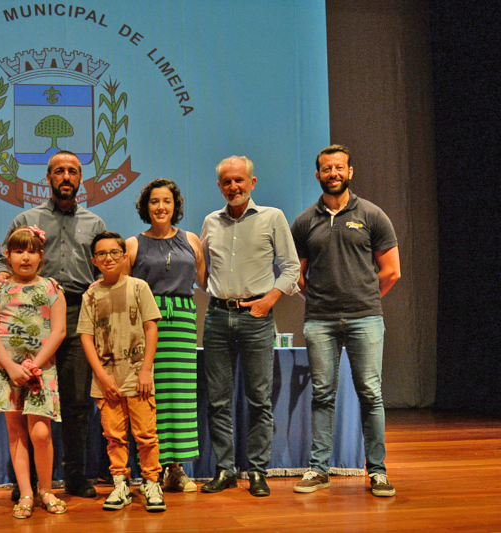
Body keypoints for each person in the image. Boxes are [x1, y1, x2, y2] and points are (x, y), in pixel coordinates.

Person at [0, 150, 106, 498]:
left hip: (76, 315)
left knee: (74, 401)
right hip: (30, 317)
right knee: (24, 403)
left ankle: (74, 476)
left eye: (73, 171)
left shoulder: (95, 224)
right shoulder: (26, 218)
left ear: (81, 178)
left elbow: (106, 268)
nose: (66, 177)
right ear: (48, 177)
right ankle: (24, 483)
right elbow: (2, 260)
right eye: (59, 171)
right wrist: (0, 281)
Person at [290, 144, 401, 497]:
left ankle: (378, 472)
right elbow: (297, 275)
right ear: (318, 174)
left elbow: (391, 271)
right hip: (319, 321)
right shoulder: (305, 221)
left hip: (364, 319)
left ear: (350, 172)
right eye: (326, 169)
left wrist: (364, 301)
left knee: (370, 394)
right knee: (322, 394)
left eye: (339, 168)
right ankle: (318, 470)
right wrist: (321, 302)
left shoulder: (372, 215)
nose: (333, 174)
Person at [199, 155, 300, 497]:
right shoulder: (210, 221)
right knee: (218, 400)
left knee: (258, 399)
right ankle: (225, 469)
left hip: (256, 317)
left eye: (239, 180)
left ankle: (257, 471)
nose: (233, 187)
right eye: (227, 182)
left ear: (252, 183)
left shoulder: (273, 218)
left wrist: (269, 300)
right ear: (219, 186)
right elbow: (202, 270)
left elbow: (290, 268)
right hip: (216, 316)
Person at [0, 225, 68, 518]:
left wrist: (34, 364)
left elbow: (59, 331)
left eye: (31, 251)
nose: (25, 258)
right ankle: (26, 492)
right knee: (16, 432)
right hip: (6, 371)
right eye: (18, 251)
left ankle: (46, 489)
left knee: (41, 433)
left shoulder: (52, 288)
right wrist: (12, 367)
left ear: (41, 255)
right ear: (7, 255)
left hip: (40, 371)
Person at [125, 178, 204, 492]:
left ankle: (176, 469)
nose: (160, 207)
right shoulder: (133, 244)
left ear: (175, 206)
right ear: (146, 207)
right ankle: (151, 471)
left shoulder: (192, 240)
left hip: (183, 323)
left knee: (179, 399)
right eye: (154, 201)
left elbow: (203, 278)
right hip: (148, 323)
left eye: (166, 201)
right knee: (150, 397)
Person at [77, 232, 165, 512]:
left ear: (124, 255)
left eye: (114, 252)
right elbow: (86, 338)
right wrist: (102, 377)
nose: (109, 258)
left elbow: (151, 327)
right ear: (94, 260)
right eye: (101, 254)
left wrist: (146, 370)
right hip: (107, 379)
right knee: (114, 436)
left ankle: (151, 482)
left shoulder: (139, 287)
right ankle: (120, 484)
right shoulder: (90, 294)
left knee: (146, 434)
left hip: (137, 375)